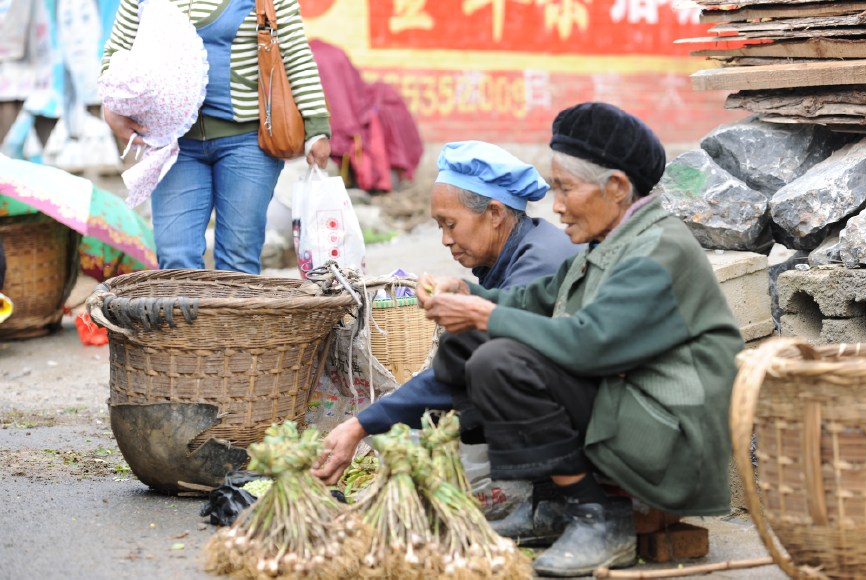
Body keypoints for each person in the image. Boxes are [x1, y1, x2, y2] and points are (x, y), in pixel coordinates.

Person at [415, 103, 744, 577]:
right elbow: (539, 298)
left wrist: (484, 314)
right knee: (464, 345)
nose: (558, 205)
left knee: (500, 360)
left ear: (615, 188)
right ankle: (551, 503)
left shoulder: (657, 249)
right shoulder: (609, 242)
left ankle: (599, 517)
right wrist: (469, 294)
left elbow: (589, 344)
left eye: (565, 188)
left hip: (670, 434)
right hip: (625, 399)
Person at [312, 140, 581, 484]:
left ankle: (551, 493)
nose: (444, 240)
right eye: (439, 227)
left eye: (450, 224)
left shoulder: (538, 263)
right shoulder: (524, 248)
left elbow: (468, 364)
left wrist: (361, 424)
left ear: (495, 214)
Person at [101, 0, 330, 274]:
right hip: (173, 144)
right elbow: (117, 53)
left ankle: (231, 318)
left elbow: (296, 54)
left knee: (238, 260)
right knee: (175, 259)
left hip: (248, 142)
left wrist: (317, 126)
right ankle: (189, 318)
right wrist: (111, 108)